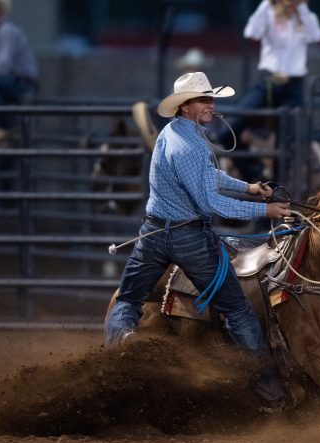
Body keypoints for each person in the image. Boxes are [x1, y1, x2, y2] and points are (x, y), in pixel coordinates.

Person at [104, 71, 291, 403]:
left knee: (129, 300)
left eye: (210, 99)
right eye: (203, 100)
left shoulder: (172, 132)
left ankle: (121, 344)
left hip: (153, 233)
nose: (211, 104)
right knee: (237, 310)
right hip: (189, 239)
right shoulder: (190, 145)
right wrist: (266, 211)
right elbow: (210, 202)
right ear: (185, 106)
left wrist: (248, 187)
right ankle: (271, 392)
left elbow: (207, 177)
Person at [221, 0, 320, 181]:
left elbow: (316, 35)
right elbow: (251, 32)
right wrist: (266, 4)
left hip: (293, 85)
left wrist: (301, 9)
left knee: (289, 138)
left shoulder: (305, 18)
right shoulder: (269, 13)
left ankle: (278, 187)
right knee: (228, 131)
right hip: (268, 81)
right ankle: (254, 172)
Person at [0, 0, 38, 146]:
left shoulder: (7, 31)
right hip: (3, 82)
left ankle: (7, 127)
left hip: (22, 82)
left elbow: (2, 66)